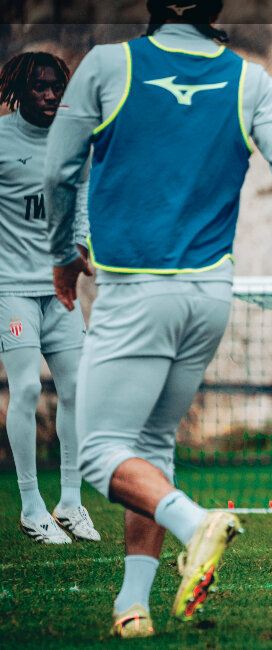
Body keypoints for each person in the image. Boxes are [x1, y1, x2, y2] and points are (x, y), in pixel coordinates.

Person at [44, 0, 272, 637]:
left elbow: (59, 172)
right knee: (151, 448)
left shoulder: (108, 65)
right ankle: (133, 607)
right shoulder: (250, 79)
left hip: (137, 290)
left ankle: (196, 523)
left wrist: (63, 253)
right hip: (211, 295)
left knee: (98, 455)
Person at [0, 52, 101, 545]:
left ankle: (70, 502)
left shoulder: (74, 139)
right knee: (24, 391)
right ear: (19, 90)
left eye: (57, 86)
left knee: (78, 389)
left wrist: (79, 249)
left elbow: (80, 204)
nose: (50, 94)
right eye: (40, 86)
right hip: (12, 289)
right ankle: (30, 507)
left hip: (60, 290)